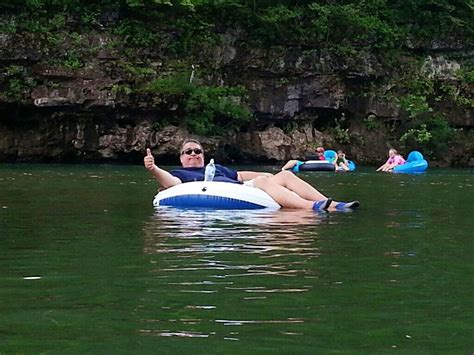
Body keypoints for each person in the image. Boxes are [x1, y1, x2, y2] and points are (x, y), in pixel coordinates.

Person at [144, 138, 360, 211]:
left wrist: (270, 174)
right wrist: (153, 168)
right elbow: (170, 182)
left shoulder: (216, 168)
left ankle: (332, 204)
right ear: (181, 157)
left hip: (240, 189)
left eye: (197, 151)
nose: (194, 154)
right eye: (188, 152)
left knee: (285, 177)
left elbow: (240, 175)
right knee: (261, 182)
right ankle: (309, 207)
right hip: (220, 192)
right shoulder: (180, 173)